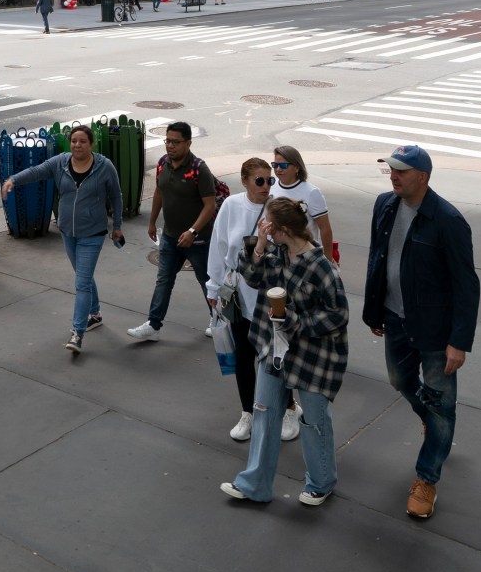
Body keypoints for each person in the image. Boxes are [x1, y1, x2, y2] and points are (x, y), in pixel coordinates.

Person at [361, 144, 479, 520]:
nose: (393, 176)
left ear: (422, 177)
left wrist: (459, 342)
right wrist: (374, 308)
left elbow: (466, 284)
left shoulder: (448, 220)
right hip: (395, 318)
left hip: (434, 330)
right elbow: (378, 257)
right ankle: (431, 420)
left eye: (401, 171)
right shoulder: (384, 204)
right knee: (399, 380)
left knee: (442, 404)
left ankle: (427, 478)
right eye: (390, 170)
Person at [221, 197, 349, 508]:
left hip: (313, 356)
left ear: (284, 229)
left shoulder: (321, 268)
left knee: (315, 420)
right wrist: (261, 244)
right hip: (273, 348)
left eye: (268, 225)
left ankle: (322, 482)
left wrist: (295, 321)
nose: (263, 227)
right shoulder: (276, 252)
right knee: (264, 414)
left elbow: (338, 315)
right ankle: (255, 485)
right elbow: (250, 275)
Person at [2, 124, 123, 353]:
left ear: (91, 144)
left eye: (83, 141)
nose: (77, 145)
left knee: (81, 283)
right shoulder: (60, 162)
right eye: (74, 141)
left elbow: (116, 196)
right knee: (83, 277)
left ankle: (77, 332)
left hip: (93, 233)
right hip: (68, 231)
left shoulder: (104, 166)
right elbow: (37, 171)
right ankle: (95, 313)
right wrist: (13, 180)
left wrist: (117, 226)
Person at [206, 159, 298, 443]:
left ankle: (289, 409)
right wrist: (214, 287)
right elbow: (219, 246)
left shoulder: (278, 207)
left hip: (271, 294)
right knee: (243, 355)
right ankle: (248, 411)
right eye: (259, 181)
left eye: (269, 180)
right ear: (244, 181)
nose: (266, 186)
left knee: (276, 355)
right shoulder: (231, 207)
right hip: (238, 294)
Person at [128, 122, 219, 343]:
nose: (170, 146)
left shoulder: (199, 169)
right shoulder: (163, 164)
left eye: (175, 142)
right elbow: (159, 192)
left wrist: (192, 231)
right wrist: (152, 222)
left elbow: (210, 205)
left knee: (206, 281)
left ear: (188, 143)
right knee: (164, 280)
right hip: (170, 236)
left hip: (198, 240)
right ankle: (153, 325)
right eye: (167, 141)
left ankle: (218, 321)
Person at [270, 144, 334, 260]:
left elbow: (325, 229)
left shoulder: (312, 192)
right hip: (278, 255)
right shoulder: (270, 188)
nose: (278, 169)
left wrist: (329, 259)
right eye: (275, 165)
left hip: (305, 256)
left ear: (297, 167)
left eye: (283, 165)